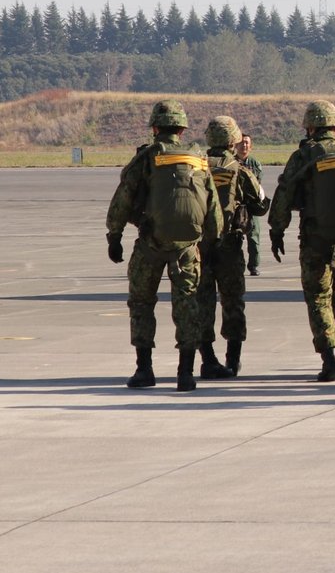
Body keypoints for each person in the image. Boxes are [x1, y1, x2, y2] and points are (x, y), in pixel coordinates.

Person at [106, 100, 225, 391]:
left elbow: (123, 197)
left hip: (151, 243)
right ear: (182, 129)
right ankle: (186, 373)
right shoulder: (198, 160)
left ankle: (144, 369)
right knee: (187, 305)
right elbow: (213, 208)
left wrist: (114, 235)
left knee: (142, 303)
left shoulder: (147, 158)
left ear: (155, 127)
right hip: (188, 247)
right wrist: (212, 241)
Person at [267, 101, 335, 382]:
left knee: (319, 299)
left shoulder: (304, 155)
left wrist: (276, 230)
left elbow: (285, 194)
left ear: (311, 127)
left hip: (317, 239)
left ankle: (331, 358)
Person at [196, 115, 267, 378]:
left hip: (199, 246)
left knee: (202, 301)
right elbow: (261, 204)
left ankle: (207, 359)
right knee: (233, 301)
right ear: (232, 141)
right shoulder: (239, 169)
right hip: (229, 245)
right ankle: (232, 360)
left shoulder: (196, 166)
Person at [236, 133, 265, 276]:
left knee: (254, 237)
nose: (244, 145)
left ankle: (253, 265)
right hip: (236, 206)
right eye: (241, 142)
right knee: (234, 238)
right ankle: (235, 265)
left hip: (251, 207)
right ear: (235, 145)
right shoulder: (231, 162)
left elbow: (257, 184)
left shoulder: (255, 164)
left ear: (251, 146)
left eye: (247, 143)